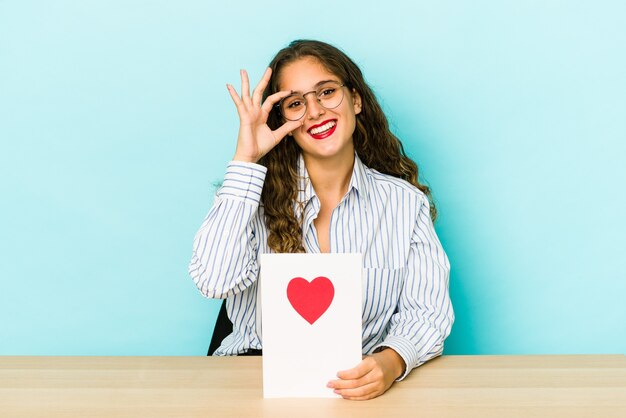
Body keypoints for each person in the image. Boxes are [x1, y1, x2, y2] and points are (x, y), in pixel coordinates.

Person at [189, 39, 454, 400]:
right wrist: (245, 162)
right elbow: (213, 280)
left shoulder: (405, 204)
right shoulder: (253, 198)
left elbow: (427, 312)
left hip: (355, 387)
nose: (314, 111)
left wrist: (390, 363)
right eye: (296, 103)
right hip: (251, 384)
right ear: (282, 120)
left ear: (356, 100)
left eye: (326, 92)